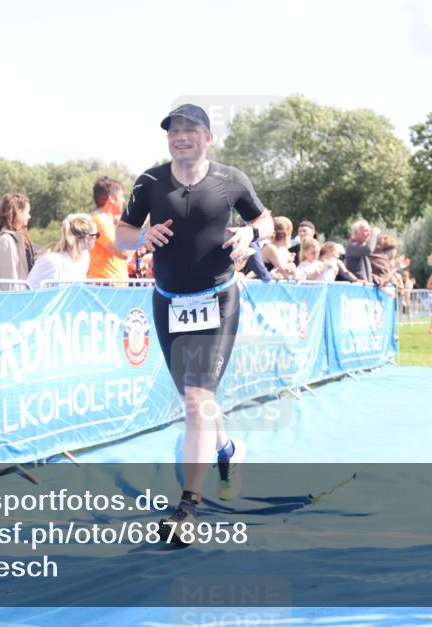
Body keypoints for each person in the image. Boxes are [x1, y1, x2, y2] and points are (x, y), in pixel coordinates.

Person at [114, 103, 273, 544]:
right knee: (194, 397)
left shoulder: (231, 179)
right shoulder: (149, 181)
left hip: (218, 298)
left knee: (198, 399)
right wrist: (142, 237)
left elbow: (266, 220)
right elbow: (120, 234)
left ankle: (188, 509)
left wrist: (251, 235)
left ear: (207, 137)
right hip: (167, 302)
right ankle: (227, 448)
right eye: (173, 131)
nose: (180, 137)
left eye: (190, 130)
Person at [27, 213, 97, 289]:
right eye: (96, 235)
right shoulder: (52, 261)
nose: (97, 238)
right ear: (87, 238)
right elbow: (31, 293)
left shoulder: (84, 257)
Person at [88, 176, 134, 281]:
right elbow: (123, 253)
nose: (123, 200)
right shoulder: (98, 221)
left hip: (112, 287)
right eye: (121, 196)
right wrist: (142, 233)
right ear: (112, 199)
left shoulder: (107, 221)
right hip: (105, 287)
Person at [0, 193, 34, 288]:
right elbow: (9, 282)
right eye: (27, 212)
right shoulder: (6, 241)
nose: (29, 216)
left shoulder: (17, 239)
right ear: (18, 211)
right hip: (14, 300)